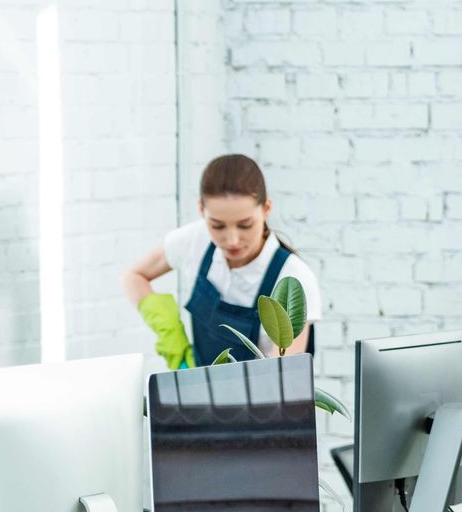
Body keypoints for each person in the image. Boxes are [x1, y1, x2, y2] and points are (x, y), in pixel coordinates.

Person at [120, 154, 323, 370]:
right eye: (217, 226)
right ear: (201, 210)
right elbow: (133, 277)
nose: (232, 240)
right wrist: (171, 334)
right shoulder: (195, 240)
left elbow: (288, 377)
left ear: (266, 209)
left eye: (245, 225)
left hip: (264, 399)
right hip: (201, 391)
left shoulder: (293, 278)